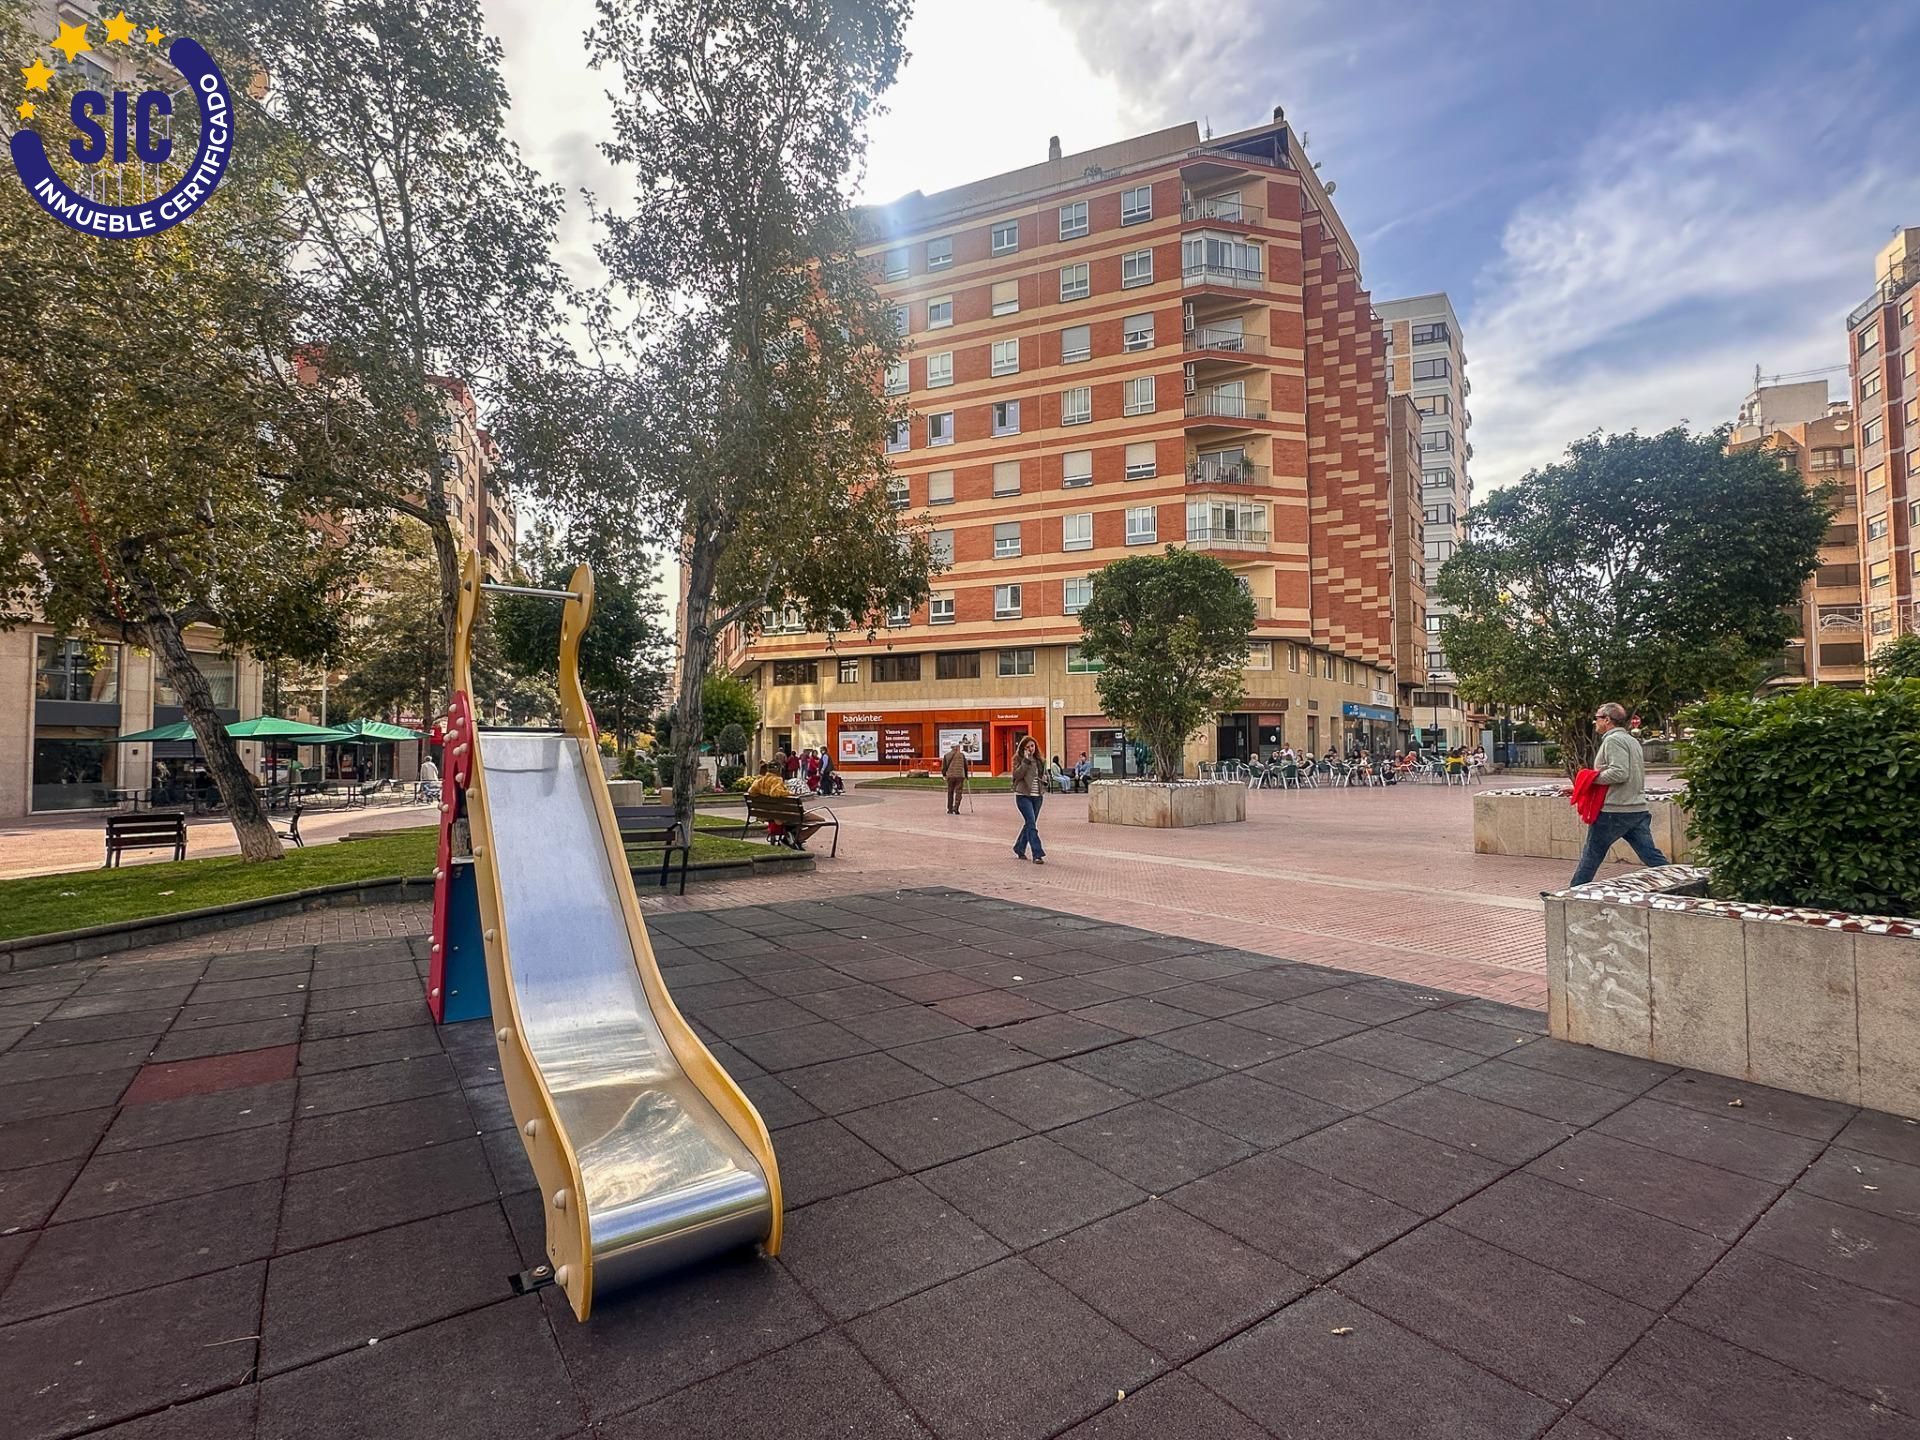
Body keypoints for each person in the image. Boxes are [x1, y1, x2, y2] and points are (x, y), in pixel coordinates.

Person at [1568, 702, 1670, 887]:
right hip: (1636, 809)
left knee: (1591, 855)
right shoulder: (1631, 740)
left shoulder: (1613, 740)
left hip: (1614, 812)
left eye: (1597, 718)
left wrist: (1590, 779)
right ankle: (1678, 883)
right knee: (1651, 856)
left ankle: (1572, 892)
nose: (1595, 722)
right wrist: (1581, 787)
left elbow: (1619, 773)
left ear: (1607, 720)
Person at [1009, 735, 1047, 864]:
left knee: (1029, 824)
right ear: (1023, 749)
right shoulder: (1019, 759)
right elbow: (1017, 775)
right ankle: (1037, 854)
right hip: (1023, 796)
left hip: (1037, 796)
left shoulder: (1040, 760)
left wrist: (1045, 780)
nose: (1031, 749)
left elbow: (1043, 775)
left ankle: (1019, 848)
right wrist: (1025, 761)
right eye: (1027, 747)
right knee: (1031, 824)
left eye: (1032, 746)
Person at [941, 739, 970, 814]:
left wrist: (944, 774)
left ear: (951, 747)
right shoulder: (962, 755)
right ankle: (956, 808)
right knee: (959, 792)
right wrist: (966, 775)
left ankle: (950, 809)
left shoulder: (947, 755)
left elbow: (944, 767)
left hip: (950, 776)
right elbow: (965, 766)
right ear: (956, 747)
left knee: (950, 792)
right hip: (960, 776)